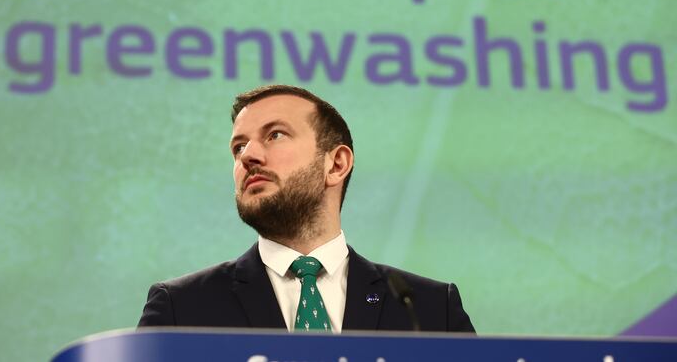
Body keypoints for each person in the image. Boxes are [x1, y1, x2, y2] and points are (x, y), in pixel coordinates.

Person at [137, 85, 475, 333]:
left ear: (336, 164)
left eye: (276, 135)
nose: (248, 156)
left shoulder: (428, 310)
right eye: (239, 147)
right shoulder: (181, 309)